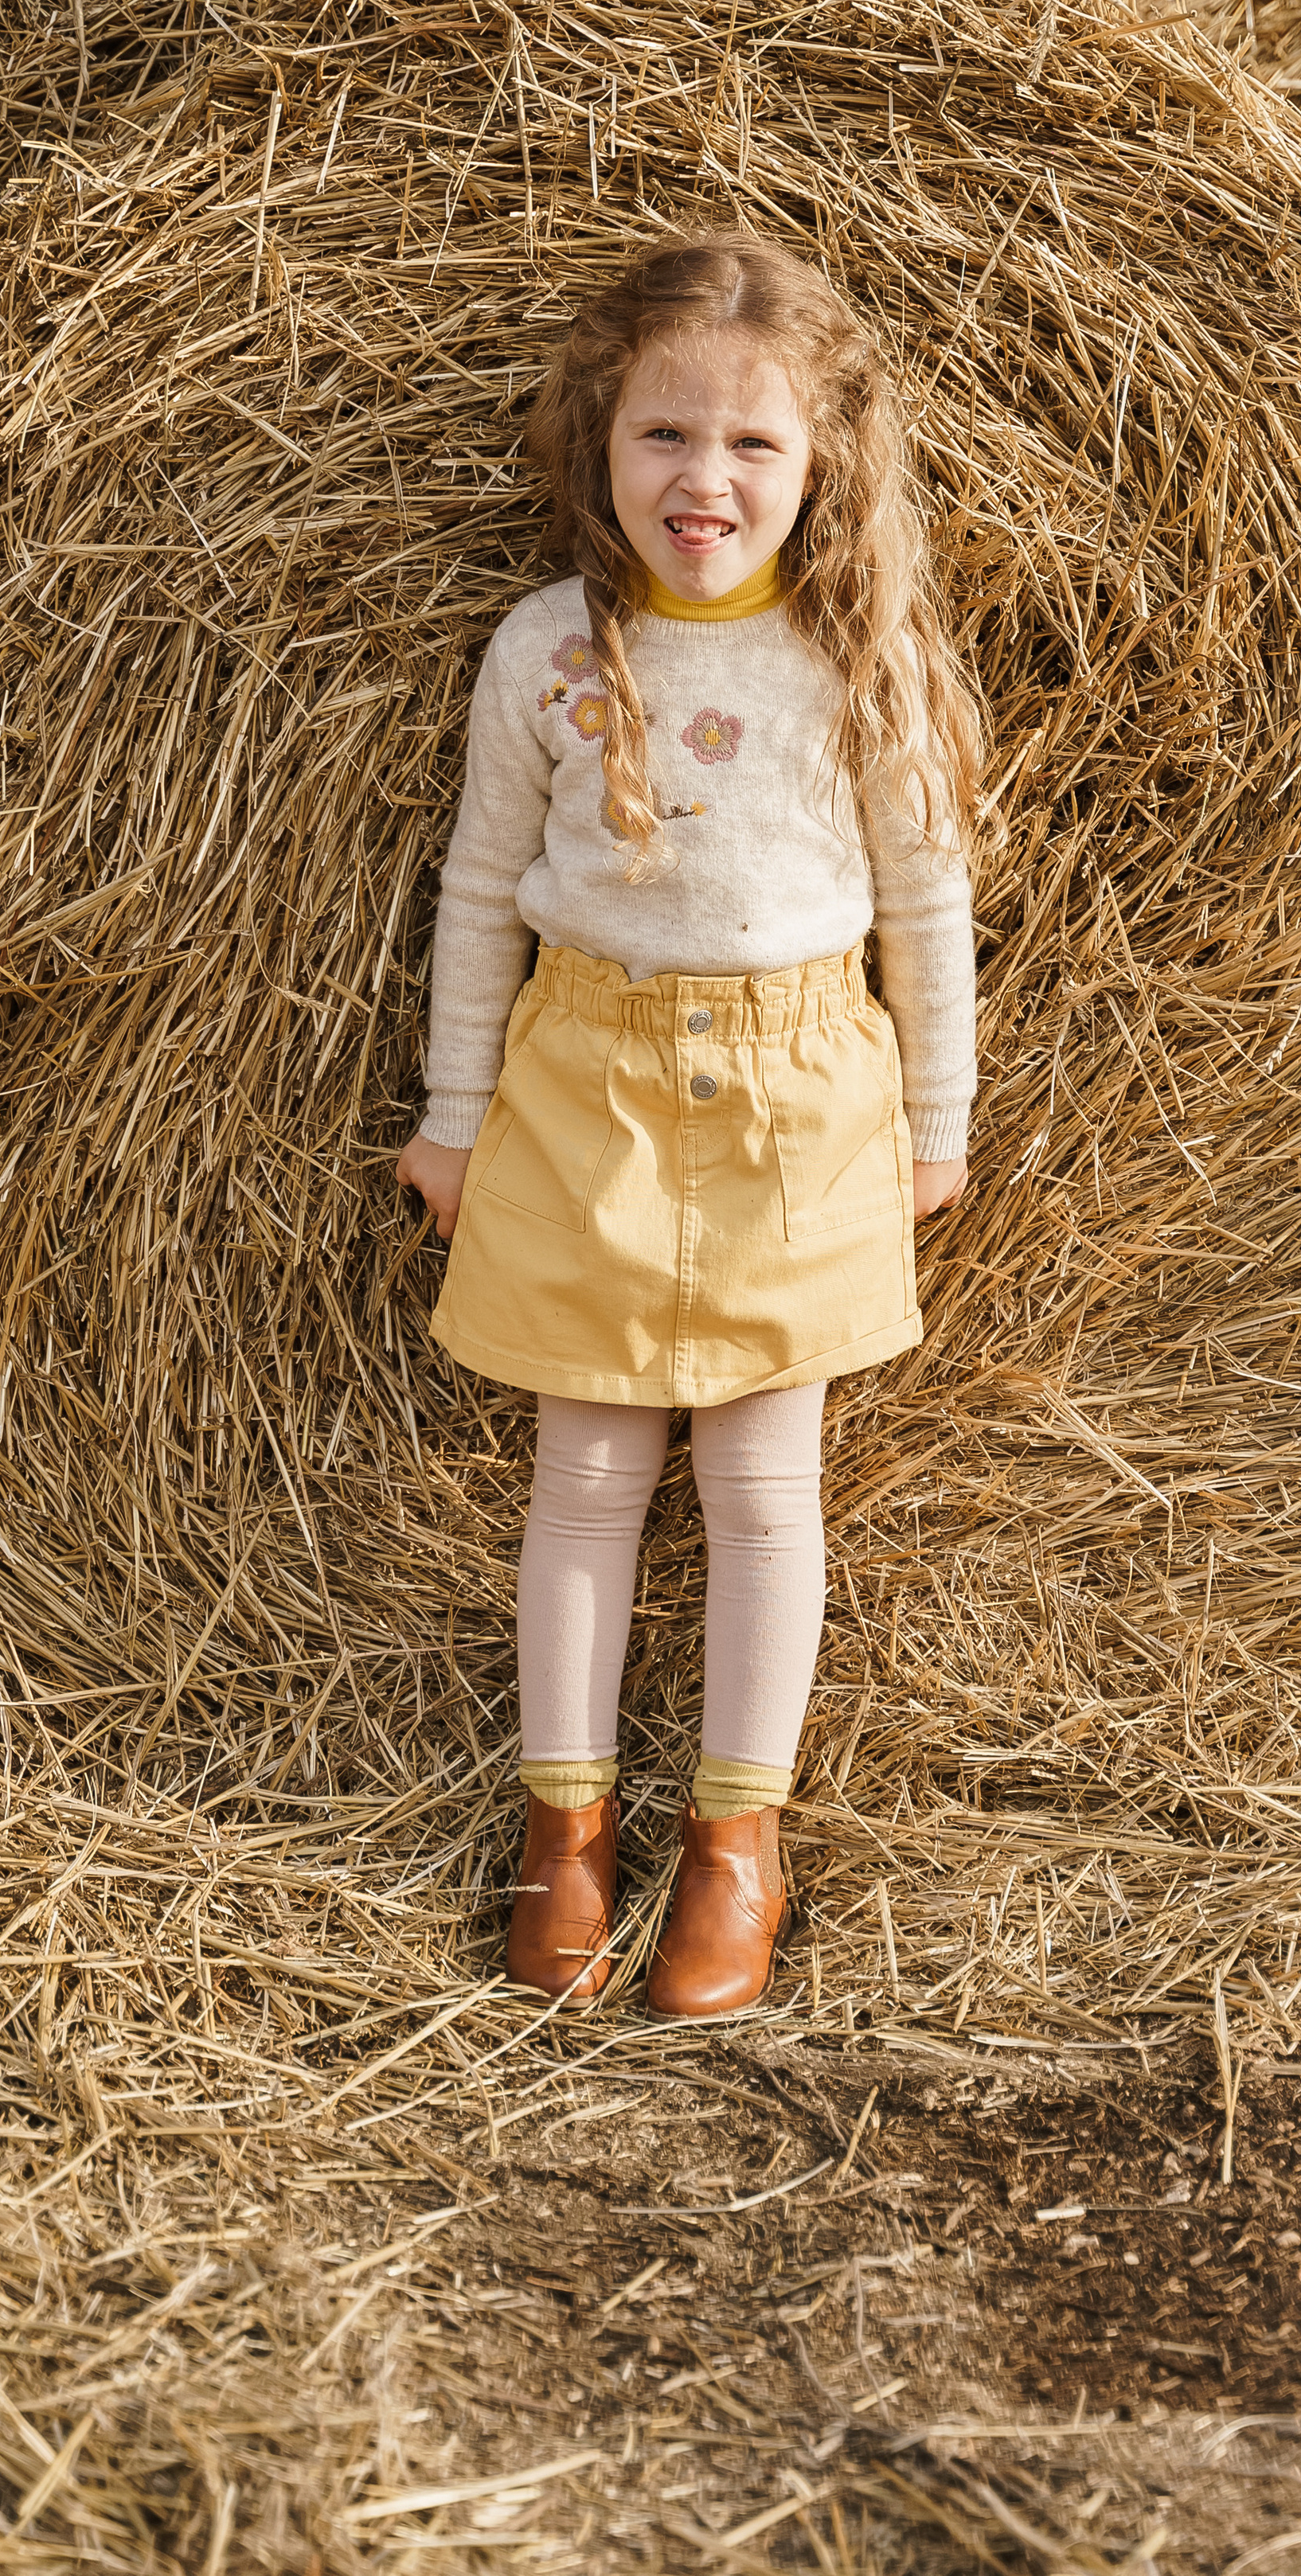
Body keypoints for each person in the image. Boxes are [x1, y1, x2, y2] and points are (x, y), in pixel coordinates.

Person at [396, 230, 979, 2016]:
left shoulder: (851, 650)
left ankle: (738, 1847)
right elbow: (483, 889)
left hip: (804, 1093)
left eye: (751, 447)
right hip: (587, 1086)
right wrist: (454, 1106)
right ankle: (561, 1830)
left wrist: (935, 1122)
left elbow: (925, 902)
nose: (703, 482)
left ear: (821, 466)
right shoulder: (544, 651)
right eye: (663, 439)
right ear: (599, 444)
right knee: (582, 1473)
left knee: (757, 1483)